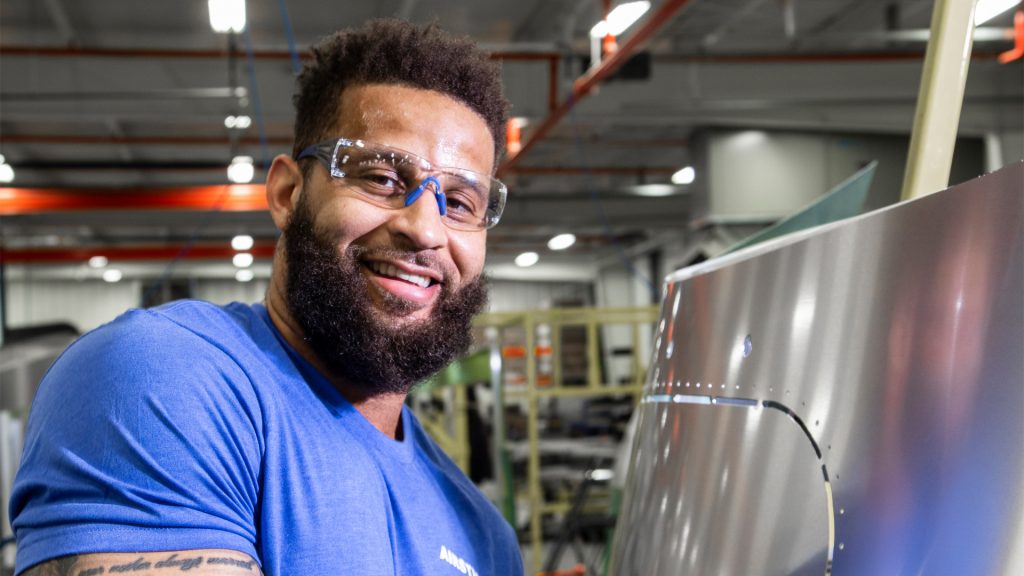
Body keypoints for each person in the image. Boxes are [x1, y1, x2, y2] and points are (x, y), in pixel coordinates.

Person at [9, 19, 523, 576]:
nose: (425, 229)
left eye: (460, 203)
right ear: (287, 193)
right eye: (381, 178)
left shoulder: (484, 536)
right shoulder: (165, 376)